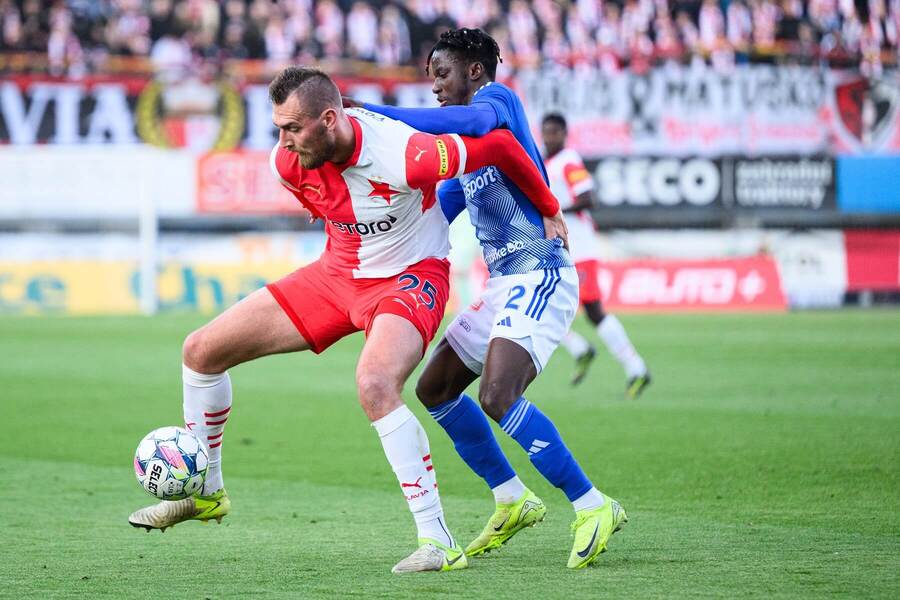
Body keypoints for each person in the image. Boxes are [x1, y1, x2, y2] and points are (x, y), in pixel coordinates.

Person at [127, 66, 566, 574]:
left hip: (410, 277)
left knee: (375, 383)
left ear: (330, 119)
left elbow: (499, 147)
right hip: (337, 274)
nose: (283, 141)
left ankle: (438, 540)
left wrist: (550, 207)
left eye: (292, 128)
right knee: (200, 351)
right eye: (278, 128)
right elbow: (318, 195)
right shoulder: (287, 162)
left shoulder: (407, 152)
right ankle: (206, 492)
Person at [353, 28, 627, 569]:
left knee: (498, 395)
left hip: (543, 270)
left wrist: (379, 114)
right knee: (435, 388)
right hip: (505, 282)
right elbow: (432, 214)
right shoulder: (468, 158)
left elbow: (473, 122)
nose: (435, 87)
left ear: (475, 71)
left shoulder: (497, 102)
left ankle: (593, 505)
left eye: (442, 74)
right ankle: (510, 497)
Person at [541, 112, 652, 395]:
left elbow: (588, 197)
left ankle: (636, 367)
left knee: (593, 310)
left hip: (580, 248)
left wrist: (556, 213)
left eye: (555, 132)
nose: (549, 137)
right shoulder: (546, 163)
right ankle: (580, 349)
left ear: (564, 134)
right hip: (560, 248)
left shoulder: (569, 161)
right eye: (546, 131)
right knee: (544, 305)